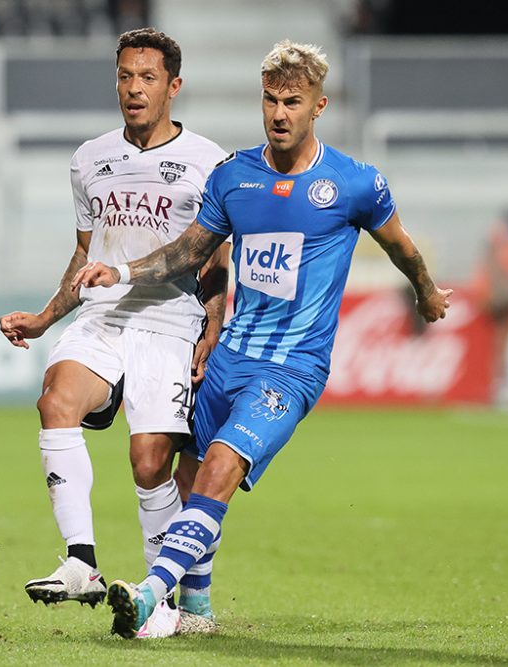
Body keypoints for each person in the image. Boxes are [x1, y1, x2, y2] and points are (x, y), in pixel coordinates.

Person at [70, 39, 453, 638]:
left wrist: (425, 290)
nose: (279, 113)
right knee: (188, 475)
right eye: (270, 100)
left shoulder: (353, 184)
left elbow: (400, 245)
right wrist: (119, 271)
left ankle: (152, 594)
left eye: (292, 102)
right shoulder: (233, 177)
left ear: (318, 107)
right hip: (230, 356)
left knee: (222, 464)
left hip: (292, 368)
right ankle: (197, 610)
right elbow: (189, 252)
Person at [0, 27, 230, 637]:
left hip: (170, 318)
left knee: (150, 462)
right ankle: (82, 562)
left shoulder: (210, 161)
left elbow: (215, 261)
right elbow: (85, 252)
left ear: (173, 86)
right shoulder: (89, 159)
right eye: (125, 76)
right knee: (56, 400)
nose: (134, 88)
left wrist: (212, 330)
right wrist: (47, 316)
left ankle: (166, 600)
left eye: (147, 77)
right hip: (102, 314)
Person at [472, 208, 508, 405]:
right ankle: (501, 387)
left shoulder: (501, 239)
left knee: (500, 343)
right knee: (501, 343)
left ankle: (500, 385)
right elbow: (499, 268)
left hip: (494, 292)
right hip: (496, 294)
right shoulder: (507, 240)